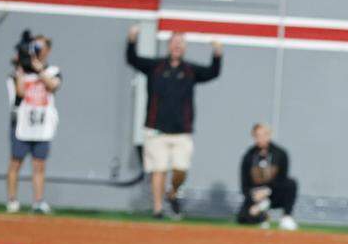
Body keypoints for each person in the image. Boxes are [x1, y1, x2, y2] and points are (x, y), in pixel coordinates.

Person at [126, 26, 223, 220]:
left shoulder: (190, 71)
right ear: (169, 46)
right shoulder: (155, 67)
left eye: (181, 43)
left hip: (181, 131)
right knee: (159, 170)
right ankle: (158, 208)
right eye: (174, 42)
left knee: (180, 169)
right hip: (156, 130)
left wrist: (217, 53)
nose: (177, 46)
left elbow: (212, 72)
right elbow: (133, 60)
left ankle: (173, 192)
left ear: (185, 47)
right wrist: (131, 40)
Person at [5, 34, 61, 214]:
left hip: (42, 125)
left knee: (39, 165)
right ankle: (12, 200)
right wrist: (22, 67)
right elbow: (20, 93)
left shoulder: (52, 70)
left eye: (41, 48)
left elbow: (53, 85)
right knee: (15, 163)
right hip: (22, 123)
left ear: (48, 50)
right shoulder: (19, 71)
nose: (37, 51)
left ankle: (38, 201)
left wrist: (39, 69)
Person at [237, 123, 297, 230]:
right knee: (242, 217)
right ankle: (262, 217)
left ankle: (286, 217)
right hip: (256, 195)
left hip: (273, 194)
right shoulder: (248, 156)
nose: (261, 138)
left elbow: (282, 178)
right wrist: (253, 196)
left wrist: (267, 191)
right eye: (257, 136)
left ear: (269, 135)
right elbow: (244, 183)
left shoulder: (280, 154)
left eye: (264, 135)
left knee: (291, 184)